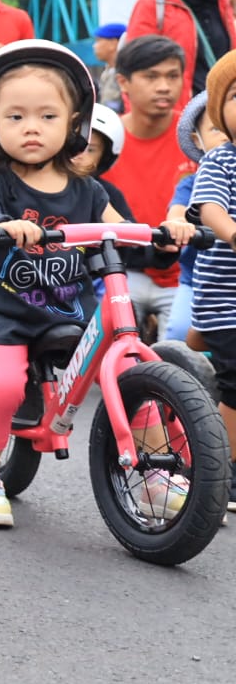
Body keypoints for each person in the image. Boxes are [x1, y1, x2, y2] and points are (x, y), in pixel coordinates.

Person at [0, 41, 189, 527]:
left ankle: (152, 475)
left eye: (46, 116)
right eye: (15, 117)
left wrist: (164, 236)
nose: (32, 128)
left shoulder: (89, 190)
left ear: (73, 124)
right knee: (0, 386)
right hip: (9, 315)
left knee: (132, 382)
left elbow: (124, 231)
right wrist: (1, 225)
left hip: (73, 316)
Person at [106, 35, 196, 335]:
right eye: (151, 76)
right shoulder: (103, 143)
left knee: (179, 363)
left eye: (173, 76)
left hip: (188, 276)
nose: (164, 86)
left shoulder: (197, 137)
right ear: (123, 82)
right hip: (122, 271)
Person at [187, 50, 236, 510]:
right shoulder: (222, 160)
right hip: (227, 302)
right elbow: (211, 210)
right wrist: (232, 232)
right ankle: (227, 471)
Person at [165, 93, 226, 342]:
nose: (225, 135)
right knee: (178, 333)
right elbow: (177, 212)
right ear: (197, 140)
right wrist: (177, 224)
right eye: (215, 128)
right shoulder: (194, 183)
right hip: (199, 282)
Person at [93, 21, 125, 110]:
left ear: (113, 43)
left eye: (98, 41)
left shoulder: (126, 73)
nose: (95, 46)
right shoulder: (107, 72)